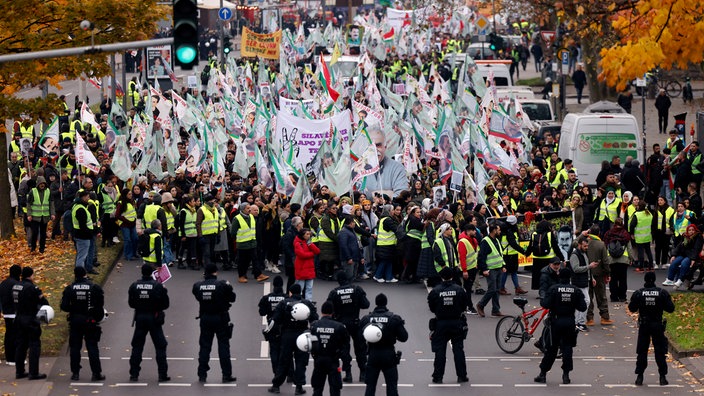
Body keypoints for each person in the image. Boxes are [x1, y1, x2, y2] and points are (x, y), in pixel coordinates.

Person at [534, 268, 587, 384]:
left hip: (556, 322)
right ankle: (566, 375)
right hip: (569, 322)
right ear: (570, 278)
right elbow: (583, 307)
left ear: (559, 276)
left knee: (551, 349)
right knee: (567, 349)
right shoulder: (576, 290)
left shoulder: (554, 289)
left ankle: (543, 374)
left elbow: (545, 304)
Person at [268, 283, 318, 395]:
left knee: (283, 361)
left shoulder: (284, 303)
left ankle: (276, 385)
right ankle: (299, 387)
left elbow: (275, 320)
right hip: (303, 335)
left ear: (290, 292)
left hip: (287, 335)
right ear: (300, 292)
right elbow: (314, 320)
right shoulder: (306, 303)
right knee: (301, 362)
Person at [628, 271, 676, 386]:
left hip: (644, 325)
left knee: (642, 351)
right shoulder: (662, 293)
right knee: (660, 351)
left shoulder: (639, 293)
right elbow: (670, 308)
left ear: (645, 279)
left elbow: (632, 308)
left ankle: (639, 377)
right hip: (657, 325)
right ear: (654, 280)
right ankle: (662, 377)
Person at [192, 263, 237, 383]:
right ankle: (226, 375)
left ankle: (202, 374)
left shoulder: (198, 286)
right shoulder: (222, 285)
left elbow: (197, 295)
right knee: (223, 346)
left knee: (205, 347)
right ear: (215, 272)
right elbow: (233, 298)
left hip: (205, 318)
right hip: (221, 318)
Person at [60, 266, 106, 381]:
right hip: (90, 321)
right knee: (92, 347)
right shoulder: (94, 287)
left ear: (75, 275)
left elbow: (64, 306)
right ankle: (96, 373)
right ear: (85, 274)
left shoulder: (70, 288)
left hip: (75, 320)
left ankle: (75, 373)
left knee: (75, 348)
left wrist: (74, 309)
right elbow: (100, 306)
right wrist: (97, 317)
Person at [127, 264, 170, 382]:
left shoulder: (134, 285)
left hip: (140, 317)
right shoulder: (158, 286)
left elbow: (131, 304)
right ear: (152, 273)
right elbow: (165, 305)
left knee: (137, 346)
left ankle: (134, 374)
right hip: (154, 318)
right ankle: (162, 374)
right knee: (160, 346)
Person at [360, 293, 408, 396]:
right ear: (386, 303)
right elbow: (404, 337)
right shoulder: (393, 318)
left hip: (373, 355)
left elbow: (360, 336)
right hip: (389, 355)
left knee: (370, 387)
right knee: (391, 386)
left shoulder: (367, 319)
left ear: (376, 303)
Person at [427, 267, 469, 384]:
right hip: (457, 322)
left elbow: (431, 307)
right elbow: (465, 305)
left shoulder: (435, 291)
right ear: (452, 276)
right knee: (458, 350)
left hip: (441, 323)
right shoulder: (459, 290)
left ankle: (438, 377)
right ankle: (462, 375)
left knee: (440, 351)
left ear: (441, 277)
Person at [327, 270, 371, 383]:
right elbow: (366, 305)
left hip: (341, 324)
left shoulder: (334, 292)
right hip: (356, 322)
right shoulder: (357, 289)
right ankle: (363, 373)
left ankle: (348, 374)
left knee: (344, 350)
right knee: (360, 348)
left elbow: (329, 309)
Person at [14, 266, 49, 380]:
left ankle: (19, 371)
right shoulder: (32, 287)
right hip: (30, 319)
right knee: (34, 345)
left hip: (18, 318)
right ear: (31, 275)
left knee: (21, 345)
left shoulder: (16, 286)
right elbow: (43, 302)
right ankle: (33, 372)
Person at [309, 301, 350, 396]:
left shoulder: (314, 325)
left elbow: (309, 343)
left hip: (318, 360)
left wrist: (314, 355)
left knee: (317, 389)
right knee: (335, 388)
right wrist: (346, 363)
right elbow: (345, 345)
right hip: (333, 361)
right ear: (333, 312)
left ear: (321, 311)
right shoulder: (339, 326)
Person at [362, 128, 408, 197]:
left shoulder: (397, 168)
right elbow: (356, 196)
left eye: (378, 145)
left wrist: (369, 195)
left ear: (385, 147)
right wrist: (387, 194)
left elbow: (401, 196)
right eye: (371, 146)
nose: (374, 149)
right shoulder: (358, 169)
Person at [259, 276, 288, 377]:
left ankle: (276, 373)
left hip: (272, 328)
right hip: (285, 328)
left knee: (274, 351)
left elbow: (261, 313)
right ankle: (289, 373)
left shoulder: (266, 298)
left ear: (273, 285)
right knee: (286, 351)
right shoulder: (286, 298)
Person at [232, 203, 268, 283]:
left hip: (252, 243)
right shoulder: (237, 219)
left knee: (255, 259)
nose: (249, 210)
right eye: (248, 208)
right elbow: (233, 232)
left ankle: (258, 275)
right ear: (243, 209)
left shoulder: (251, 217)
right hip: (242, 244)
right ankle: (241, 276)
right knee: (242, 261)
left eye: (249, 208)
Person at [475, 222, 506, 317]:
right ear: (494, 230)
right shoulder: (486, 241)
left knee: (497, 290)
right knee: (492, 289)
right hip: (490, 269)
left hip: (498, 268)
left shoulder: (496, 239)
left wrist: (503, 265)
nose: (500, 231)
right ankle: (481, 304)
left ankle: (496, 310)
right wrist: (484, 269)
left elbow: (500, 253)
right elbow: (482, 257)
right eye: (498, 229)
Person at [584, 225, 613, 326]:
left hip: (586, 273)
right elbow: (605, 261)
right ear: (599, 233)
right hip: (599, 273)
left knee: (588, 296)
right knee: (601, 296)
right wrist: (607, 273)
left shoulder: (585, 243)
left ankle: (589, 318)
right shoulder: (601, 244)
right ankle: (604, 317)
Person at [568, 236, 596, 332]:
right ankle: (580, 322)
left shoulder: (583, 253)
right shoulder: (575, 255)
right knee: (586, 301)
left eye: (587, 246)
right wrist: (589, 266)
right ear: (579, 244)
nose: (586, 248)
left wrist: (591, 278)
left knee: (581, 302)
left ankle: (577, 322)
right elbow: (576, 269)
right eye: (584, 246)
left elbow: (586, 268)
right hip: (578, 282)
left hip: (584, 281)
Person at [500, 215, 529, 295]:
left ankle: (516, 288)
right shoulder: (509, 231)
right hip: (509, 254)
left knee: (513, 271)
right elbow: (513, 244)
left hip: (511, 253)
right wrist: (523, 251)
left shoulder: (506, 230)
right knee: (507, 272)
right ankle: (502, 288)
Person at [72, 190, 98, 274]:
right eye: (87, 197)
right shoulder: (81, 209)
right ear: (83, 197)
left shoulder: (77, 206)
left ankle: (81, 273)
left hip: (80, 235)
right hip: (83, 236)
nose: (89, 198)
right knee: (82, 257)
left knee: (81, 255)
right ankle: (80, 274)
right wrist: (90, 233)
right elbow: (83, 225)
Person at [0, 265, 21, 365]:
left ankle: (9, 358)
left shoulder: (3, 283)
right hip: (14, 312)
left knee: (8, 335)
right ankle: (14, 358)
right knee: (16, 335)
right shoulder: (16, 284)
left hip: (6, 312)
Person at [26, 176, 54, 253]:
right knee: (34, 232)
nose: (42, 185)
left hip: (44, 216)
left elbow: (51, 203)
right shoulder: (33, 191)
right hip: (35, 216)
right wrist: (29, 214)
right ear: (38, 184)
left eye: (43, 183)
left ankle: (42, 248)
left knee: (43, 233)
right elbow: (29, 204)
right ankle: (33, 247)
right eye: (41, 183)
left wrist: (52, 213)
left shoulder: (48, 191)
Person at [294, 227, 321, 301]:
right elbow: (302, 255)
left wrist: (310, 244)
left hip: (309, 269)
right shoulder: (298, 243)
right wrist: (312, 254)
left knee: (309, 289)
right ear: (302, 235)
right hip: (302, 269)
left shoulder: (309, 243)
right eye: (307, 234)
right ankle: (298, 302)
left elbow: (318, 251)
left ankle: (309, 302)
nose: (309, 235)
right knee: (300, 288)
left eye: (309, 234)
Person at [338, 217, 363, 282]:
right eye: (354, 222)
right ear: (351, 223)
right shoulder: (344, 232)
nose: (355, 224)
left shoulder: (352, 231)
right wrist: (348, 258)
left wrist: (361, 257)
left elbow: (357, 245)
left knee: (352, 277)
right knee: (348, 276)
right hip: (349, 258)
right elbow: (343, 246)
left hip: (354, 257)